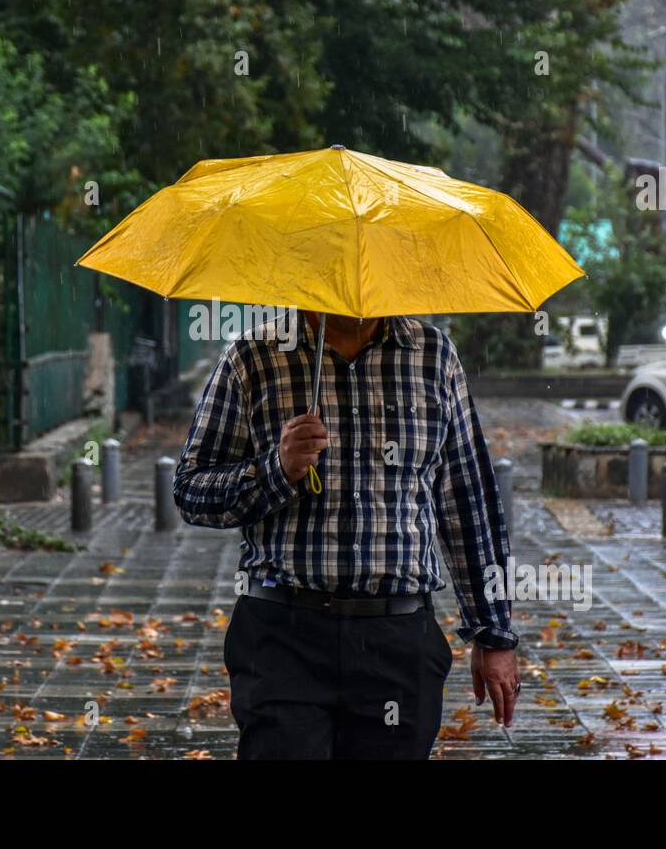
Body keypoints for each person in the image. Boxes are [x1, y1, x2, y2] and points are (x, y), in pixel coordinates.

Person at [174, 310, 519, 759]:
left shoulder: (433, 356)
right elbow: (190, 489)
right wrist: (275, 469)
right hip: (282, 637)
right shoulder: (253, 357)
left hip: (397, 639)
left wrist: (492, 632)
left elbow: (467, 500)